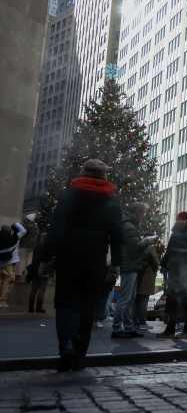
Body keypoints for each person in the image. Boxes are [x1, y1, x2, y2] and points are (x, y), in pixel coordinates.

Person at [42, 159, 123, 371]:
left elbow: (55, 228)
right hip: (94, 261)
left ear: (83, 172)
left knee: (64, 304)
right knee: (87, 307)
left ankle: (65, 346)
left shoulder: (68, 196)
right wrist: (115, 265)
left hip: (67, 258)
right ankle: (78, 354)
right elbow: (117, 237)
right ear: (104, 176)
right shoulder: (111, 202)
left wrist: (47, 257)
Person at [112, 202, 153, 338]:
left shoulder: (130, 225)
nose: (143, 216)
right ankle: (117, 328)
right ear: (137, 212)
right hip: (129, 266)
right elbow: (135, 247)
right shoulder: (129, 227)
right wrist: (147, 240)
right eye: (143, 213)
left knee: (129, 299)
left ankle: (128, 327)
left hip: (131, 265)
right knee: (125, 299)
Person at [158, 211, 187, 339]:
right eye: (179, 219)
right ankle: (170, 330)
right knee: (171, 302)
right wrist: (163, 264)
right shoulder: (174, 235)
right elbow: (169, 251)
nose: (181, 222)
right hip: (174, 272)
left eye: (183, 220)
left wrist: (180, 252)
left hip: (186, 273)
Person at [134, 238, 162, 330]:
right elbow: (157, 261)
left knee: (139, 299)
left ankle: (136, 321)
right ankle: (141, 322)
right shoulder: (151, 248)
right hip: (147, 276)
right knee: (144, 299)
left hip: (142, 276)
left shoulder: (142, 247)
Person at [0, 224, 26, 308]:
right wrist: (15, 224)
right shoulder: (15, 237)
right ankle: (2, 301)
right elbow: (24, 231)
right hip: (10, 263)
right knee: (7, 282)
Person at [26, 231, 51, 313]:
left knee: (33, 289)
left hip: (35, 268)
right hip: (44, 269)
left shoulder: (36, 246)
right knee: (42, 289)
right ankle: (39, 307)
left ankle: (30, 308)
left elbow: (34, 258)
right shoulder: (48, 248)